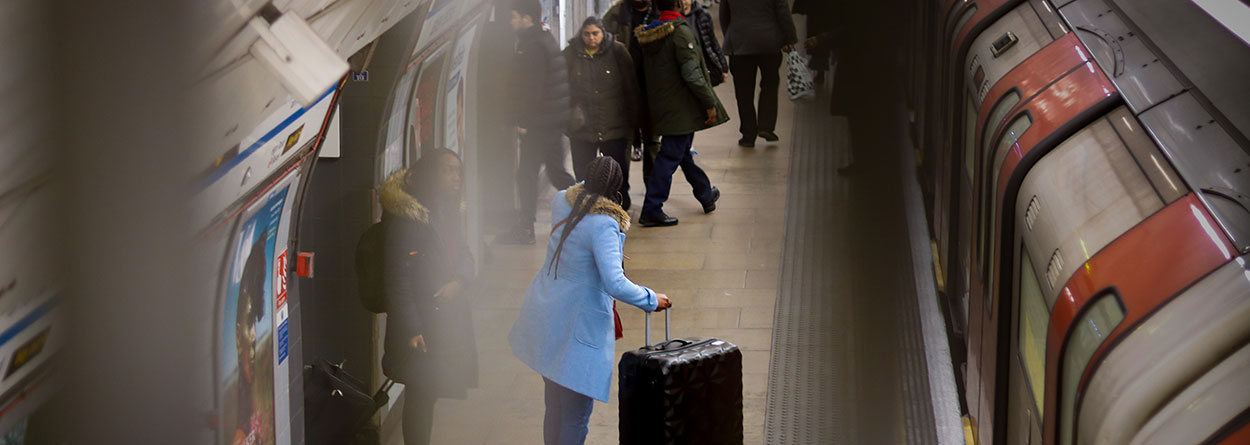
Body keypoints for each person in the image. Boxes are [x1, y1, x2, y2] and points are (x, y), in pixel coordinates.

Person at [509, 157, 672, 445]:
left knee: (555, 406)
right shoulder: (604, 224)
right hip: (578, 328)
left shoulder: (562, 200)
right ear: (616, 190)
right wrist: (650, 298)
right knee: (576, 416)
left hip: (547, 315)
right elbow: (614, 283)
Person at [376, 149, 479, 445]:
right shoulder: (407, 218)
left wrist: (460, 281)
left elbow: (466, 254)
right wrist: (411, 328)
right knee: (420, 394)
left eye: (458, 171)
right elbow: (397, 278)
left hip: (442, 319)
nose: (455, 177)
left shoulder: (445, 211)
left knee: (428, 391)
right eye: (448, 171)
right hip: (421, 323)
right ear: (432, 174)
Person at [635, 0, 728, 227]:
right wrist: (709, 103)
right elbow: (692, 73)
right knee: (669, 158)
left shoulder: (653, 31)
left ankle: (705, 194)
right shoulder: (680, 31)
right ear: (678, 4)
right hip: (680, 107)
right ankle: (652, 208)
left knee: (682, 153)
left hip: (663, 104)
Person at [498, 0, 577, 245]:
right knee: (556, 173)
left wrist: (523, 121)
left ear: (526, 18)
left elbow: (531, 90)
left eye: (513, 17)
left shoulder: (532, 47)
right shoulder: (543, 39)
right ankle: (590, 210)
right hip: (550, 121)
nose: (510, 22)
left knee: (527, 175)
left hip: (540, 124)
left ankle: (525, 228)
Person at [564, 16, 641, 210]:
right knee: (582, 171)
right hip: (582, 127)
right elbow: (562, 89)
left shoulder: (617, 52)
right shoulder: (570, 55)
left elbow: (630, 87)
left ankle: (619, 204)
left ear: (603, 33)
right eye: (587, 34)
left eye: (595, 33)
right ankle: (587, 206)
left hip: (614, 124)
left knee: (617, 171)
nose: (591, 38)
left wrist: (634, 120)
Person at [720, 0, 798, 147]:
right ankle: (766, 126)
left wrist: (731, 35)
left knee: (743, 92)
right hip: (769, 43)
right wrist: (790, 38)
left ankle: (748, 135)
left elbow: (724, 16)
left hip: (740, 42)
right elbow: (783, 14)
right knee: (770, 84)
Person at [603, 0, 660, 167]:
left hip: (652, 78)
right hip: (626, 76)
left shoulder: (659, 10)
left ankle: (653, 185)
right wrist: (611, 42)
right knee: (628, 123)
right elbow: (602, 32)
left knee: (652, 132)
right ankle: (634, 147)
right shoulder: (618, 11)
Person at [686, 0, 729, 87]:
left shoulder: (702, 15)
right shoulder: (672, 19)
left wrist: (723, 66)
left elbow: (712, 42)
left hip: (702, 68)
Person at [792, 0, 835, 83]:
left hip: (816, 8)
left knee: (817, 30)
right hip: (826, 9)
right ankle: (820, 68)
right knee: (823, 32)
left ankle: (819, 68)